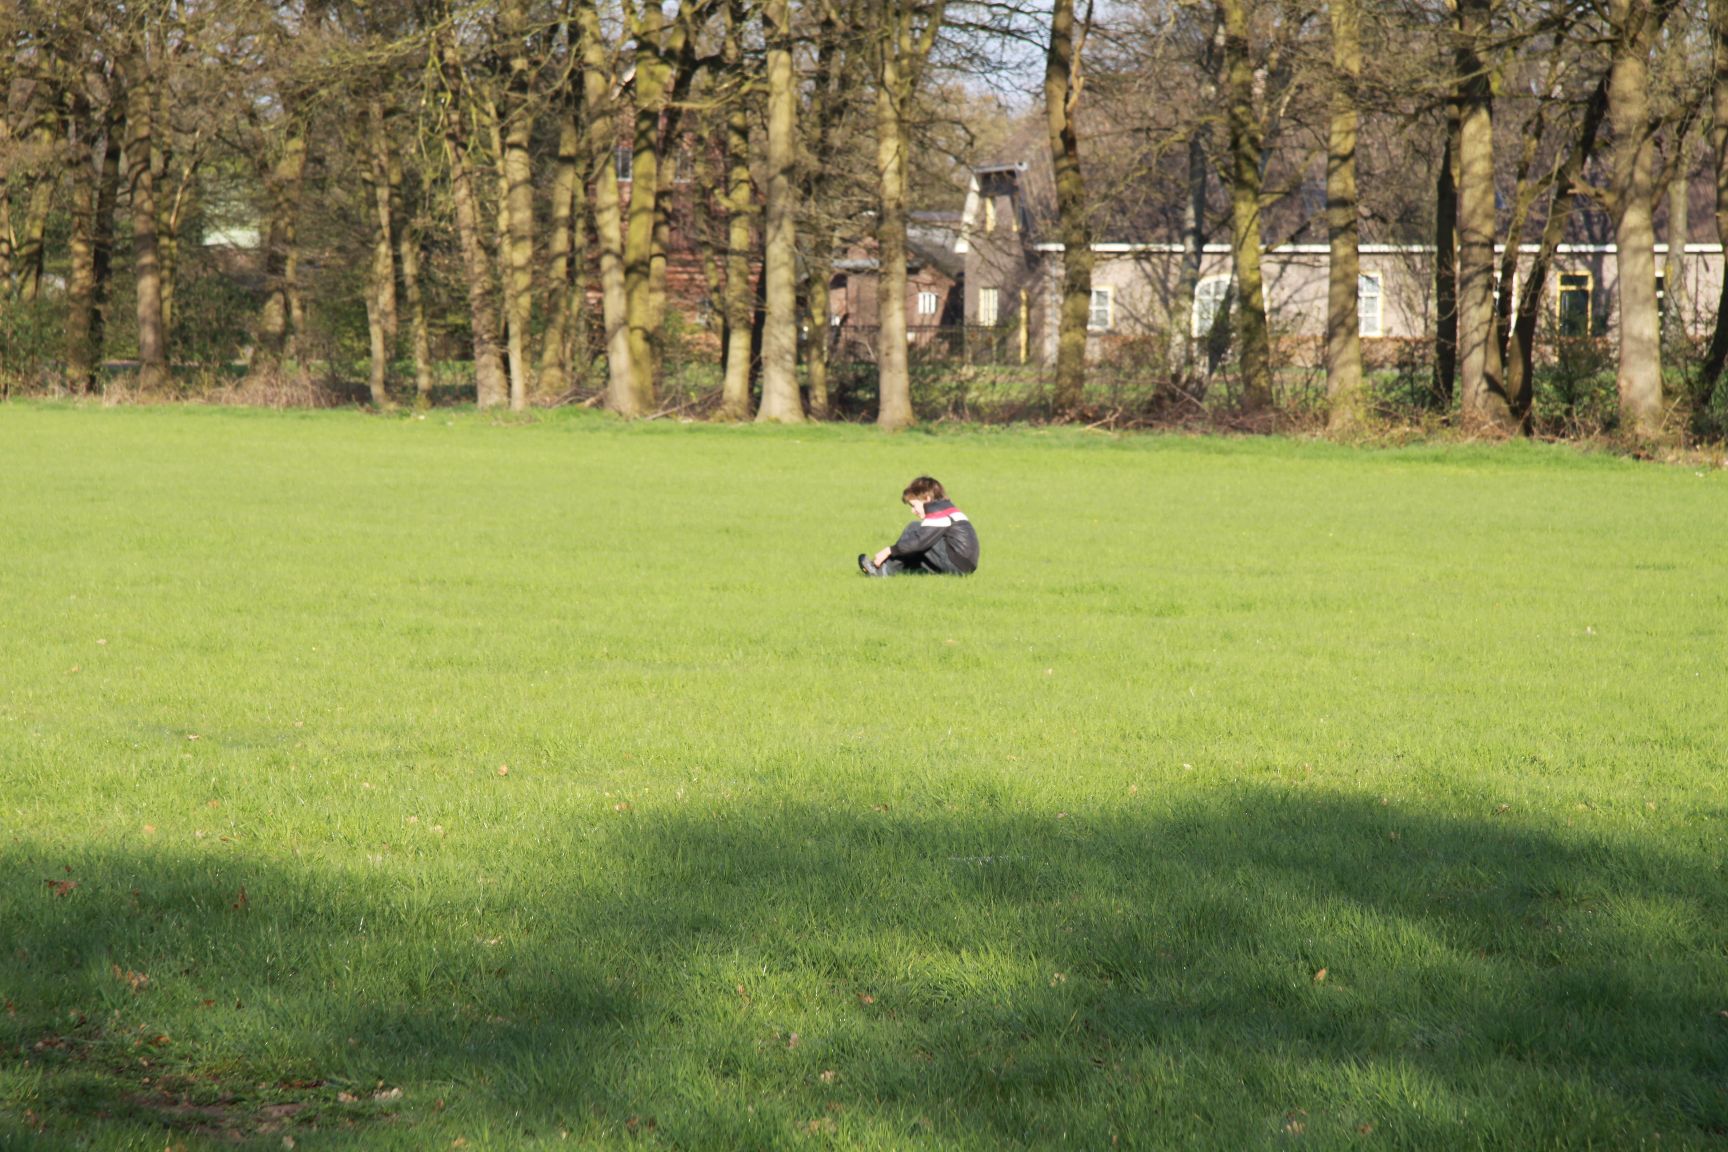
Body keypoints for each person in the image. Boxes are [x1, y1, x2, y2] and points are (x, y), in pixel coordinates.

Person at [858, 476, 979, 577]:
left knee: (914, 530)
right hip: (963, 564)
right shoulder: (947, 508)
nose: (913, 510)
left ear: (927, 499)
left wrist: (888, 551)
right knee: (915, 543)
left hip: (957, 565)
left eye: (914, 505)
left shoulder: (938, 513)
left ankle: (881, 572)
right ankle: (891, 569)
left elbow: (919, 541)